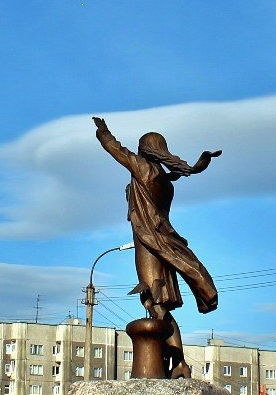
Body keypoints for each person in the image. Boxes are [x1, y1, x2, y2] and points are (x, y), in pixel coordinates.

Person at [93, 117, 221, 378]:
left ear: (144, 150)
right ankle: (173, 363)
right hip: (164, 246)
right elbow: (172, 174)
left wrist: (102, 131)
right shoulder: (164, 180)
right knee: (160, 305)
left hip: (149, 245)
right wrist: (194, 167)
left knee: (154, 303)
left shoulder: (143, 169)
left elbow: (115, 149)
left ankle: (174, 364)